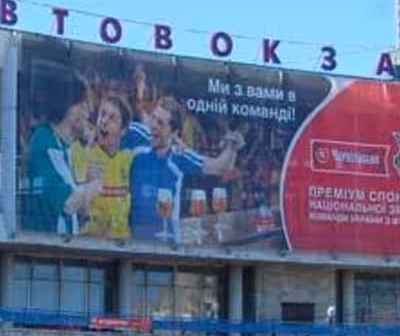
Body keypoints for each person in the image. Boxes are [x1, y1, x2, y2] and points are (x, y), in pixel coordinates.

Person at [125, 96, 243, 243]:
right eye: (153, 118)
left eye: (160, 123)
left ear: (174, 133)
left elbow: (220, 168)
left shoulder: (179, 156)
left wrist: (233, 147)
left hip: (167, 246)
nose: (153, 125)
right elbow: (111, 125)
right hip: (131, 243)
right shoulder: (136, 137)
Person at [22, 65, 100, 234]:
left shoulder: (63, 146)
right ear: (69, 108)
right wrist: (94, 186)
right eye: (84, 104)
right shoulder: (45, 142)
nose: (89, 111)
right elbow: (67, 203)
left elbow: (74, 213)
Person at [71, 95, 136, 240]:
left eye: (112, 118)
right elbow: (74, 209)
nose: (104, 121)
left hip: (123, 245)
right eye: (102, 114)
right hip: (90, 242)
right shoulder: (80, 152)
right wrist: (86, 183)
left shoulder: (129, 160)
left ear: (123, 130)